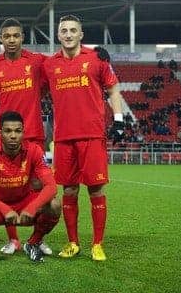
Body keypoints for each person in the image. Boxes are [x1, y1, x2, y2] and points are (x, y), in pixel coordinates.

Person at [42, 15, 123, 261]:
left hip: (92, 135)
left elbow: (113, 88)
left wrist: (119, 120)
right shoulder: (49, 64)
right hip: (64, 137)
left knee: (96, 190)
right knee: (69, 189)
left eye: (72, 30)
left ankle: (97, 244)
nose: (68, 34)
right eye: (63, 30)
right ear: (58, 35)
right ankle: (73, 242)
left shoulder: (96, 59)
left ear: (81, 34)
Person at [0, 17, 52, 255]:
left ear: (22, 37)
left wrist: (94, 53)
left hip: (32, 132)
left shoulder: (36, 61)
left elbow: (59, 66)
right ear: (1, 39)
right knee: (4, 187)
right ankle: (12, 239)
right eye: (7, 36)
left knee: (37, 185)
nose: (11, 40)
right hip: (2, 136)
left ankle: (37, 238)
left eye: (16, 35)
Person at [0, 111, 60, 263]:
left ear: (23, 132)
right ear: (0, 133)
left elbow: (51, 186)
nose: (13, 136)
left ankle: (33, 243)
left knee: (55, 205)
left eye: (18, 131)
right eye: (8, 131)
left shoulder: (34, 150)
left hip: (24, 203)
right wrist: (4, 209)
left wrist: (32, 207)